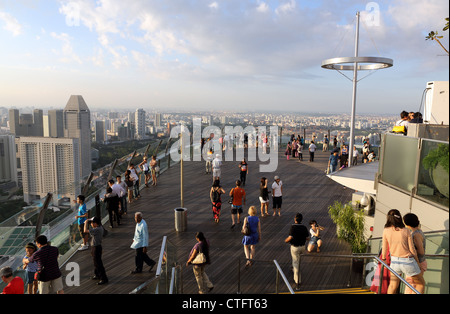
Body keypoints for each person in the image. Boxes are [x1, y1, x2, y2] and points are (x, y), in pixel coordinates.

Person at [381, 209, 425, 294]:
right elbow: (412, 249)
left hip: (394, 261)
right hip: (407, 261)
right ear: (399, 217)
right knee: (420, 284)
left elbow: (384, 247)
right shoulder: (405, 230)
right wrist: (418, 262)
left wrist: (384, 259)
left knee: (393, 285)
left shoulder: (386, 230)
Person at [403, 213, 427, 294]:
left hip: (417, 263)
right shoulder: (418, 231)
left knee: (413, 286)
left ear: (407, 223)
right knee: (412, 285)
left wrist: (410, 251)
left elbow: (421, 251)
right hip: (417, 263)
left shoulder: (416, 234)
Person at [284, 213, 309, 290]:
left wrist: (286, 241)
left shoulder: (293, 227)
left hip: (295, 247)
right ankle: (293, 269)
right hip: (302, 247)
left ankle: (298, 281)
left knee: (296, 263)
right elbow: (307, 238)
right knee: (297, 260)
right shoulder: (304, 227)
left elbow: (290, 238)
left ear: (295, 219)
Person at [84, 217, 108, 285]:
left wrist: (86, 222)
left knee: (98, 263)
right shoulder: (100, 227)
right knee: (96, 262)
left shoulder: (97, 229)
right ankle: (97, 274)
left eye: (92, 222)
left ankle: (103, 278)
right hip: (96, 247)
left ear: (95, 223)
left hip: (96, 247)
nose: (91, 224)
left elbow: (85, 231)